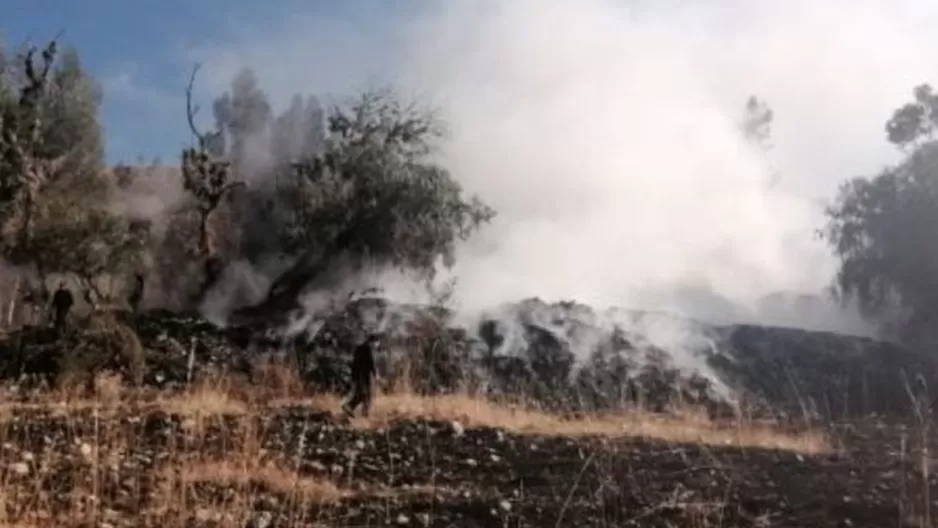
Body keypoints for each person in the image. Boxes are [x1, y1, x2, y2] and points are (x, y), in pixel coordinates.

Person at [342, 333, 380, 418]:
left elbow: (355, 363)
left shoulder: (359, 348)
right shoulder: (368, 349)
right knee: (367, 395)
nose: (377, 346)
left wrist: (354, 376)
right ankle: (365, 415)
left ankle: (349, 407)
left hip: (357, 375)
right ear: (373, 342)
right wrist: (375, 374)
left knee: (361, 395)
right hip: (365, 375)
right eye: (377, 343)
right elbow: (371, 362)